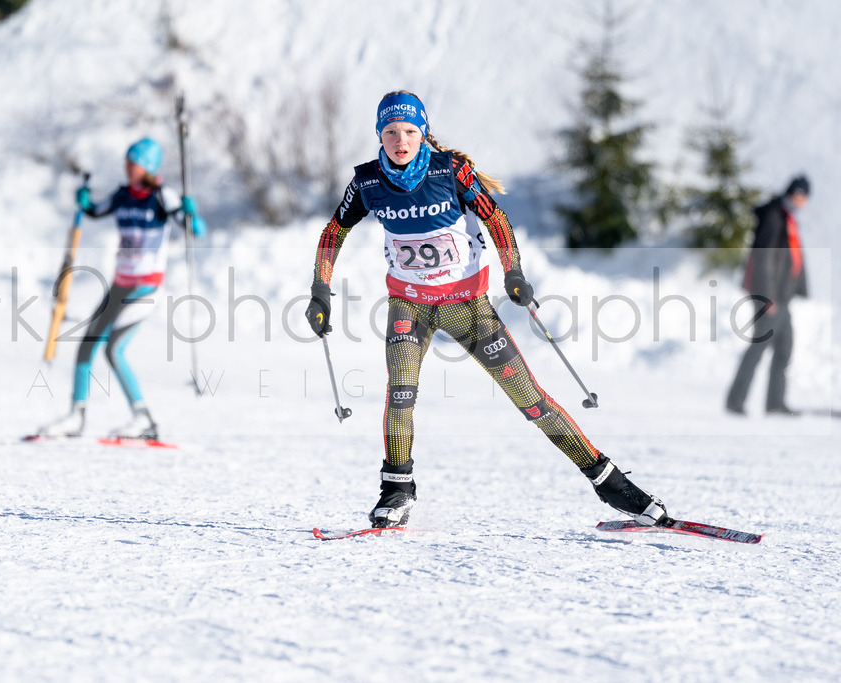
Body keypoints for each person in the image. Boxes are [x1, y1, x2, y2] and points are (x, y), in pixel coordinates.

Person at [305, 91, 668, 529]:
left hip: (467, 307)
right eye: (390, 132)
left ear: (423, 134)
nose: (400, 140)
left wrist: (513, 271)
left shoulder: (450, 171)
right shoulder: (367, 182)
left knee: (531, 402)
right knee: (401, 393)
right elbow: (333, 231)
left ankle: (609, 481)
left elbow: (496, 219)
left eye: (409, 131)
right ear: (378, 135)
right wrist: (320, 289)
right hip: (409, 305)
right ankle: (397, 488)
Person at [38, 138, 206, 439]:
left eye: (133, 162)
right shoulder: (121, 196)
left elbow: (194, 228)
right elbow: (95, 210)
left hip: (145, 288)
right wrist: (85, 201)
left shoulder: (162, 196)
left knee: (115, 349)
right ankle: (76, 416)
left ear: (148, 167)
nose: (127, 167)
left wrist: (191, 214)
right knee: (87, 345)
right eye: (127, 162)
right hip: (119, 285)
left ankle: (144, 419)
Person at [726, 175, 810, 416]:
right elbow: (763, 257)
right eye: (799, 195)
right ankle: (735, 400)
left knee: (784, 347)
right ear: (791, 193)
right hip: (770, 297)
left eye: (804, 197)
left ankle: (775, 403)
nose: (802, 200)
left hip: (781, 297)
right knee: (759, 347)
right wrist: (768, 295)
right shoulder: (774, 217)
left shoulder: (786, 217)